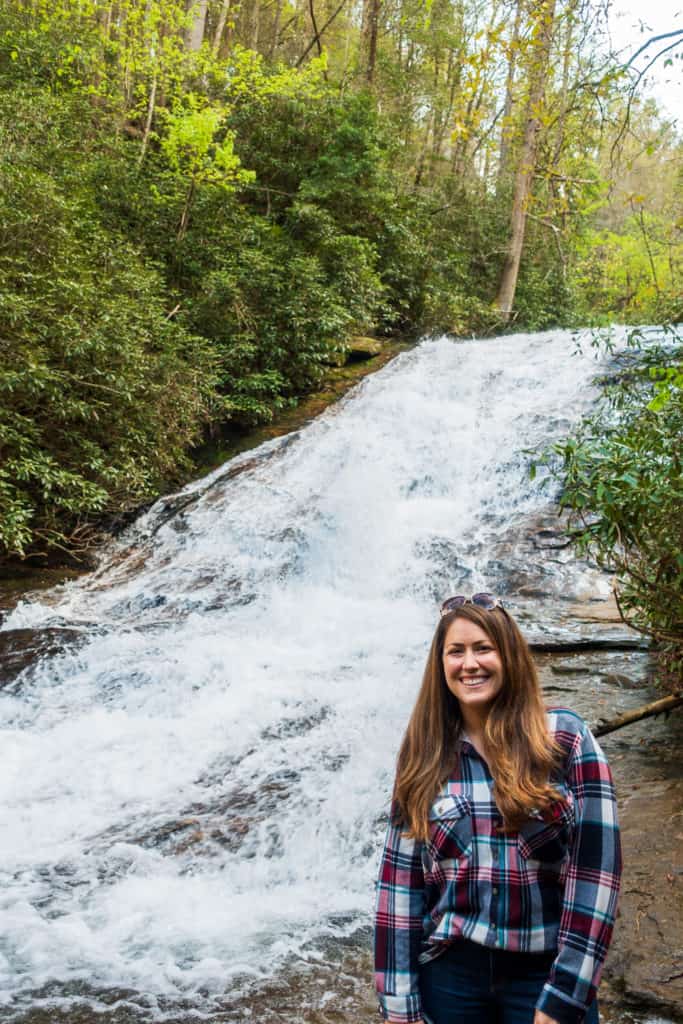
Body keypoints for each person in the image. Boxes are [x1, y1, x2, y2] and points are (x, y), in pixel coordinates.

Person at [374, 594, 622, 1024]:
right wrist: (399, 1006)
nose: (470, 663)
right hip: (451, 972)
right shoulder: (426, 752)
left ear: (508, 655)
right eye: (457, 651)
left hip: (544, 968)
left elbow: (596, 874)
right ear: (441, 665)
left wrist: (566, 994)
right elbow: (400, 885)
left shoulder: (564, 739)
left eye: (483, 648)